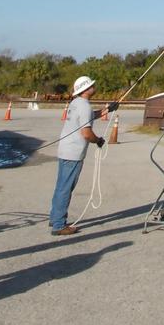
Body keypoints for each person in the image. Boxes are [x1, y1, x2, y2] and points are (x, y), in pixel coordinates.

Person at [48, 75, 107, 236]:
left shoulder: (76, 103)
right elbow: (86, 133)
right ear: (86, 89)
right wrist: (98, 140)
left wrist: (106, 110)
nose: (94, 87)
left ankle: (54, 217)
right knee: (66, 188)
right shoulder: (84, 106)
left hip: (65, 149)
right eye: (91, 85)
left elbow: (87, 116)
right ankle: (59, 225)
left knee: (61, 186)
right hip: (73, 152)